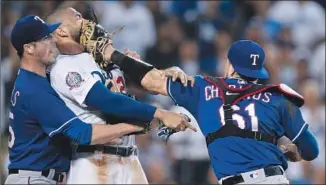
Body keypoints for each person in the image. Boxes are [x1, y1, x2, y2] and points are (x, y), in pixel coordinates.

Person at [6, 15, 193, 184]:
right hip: (45, 175)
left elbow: (124, 85)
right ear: (29, 48)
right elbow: (84, 130)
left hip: (50, 174)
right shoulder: (38, 86)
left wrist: (154, 72)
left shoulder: (39, 80)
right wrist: (149, 119)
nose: (52, 39)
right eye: (46, 38)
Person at [114, 40, 320, 184]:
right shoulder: (278, 98)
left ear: (230, 65)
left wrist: (118, 57)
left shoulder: (203, 88)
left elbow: (150, 81)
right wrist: (295, 152)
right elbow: (312, 150)